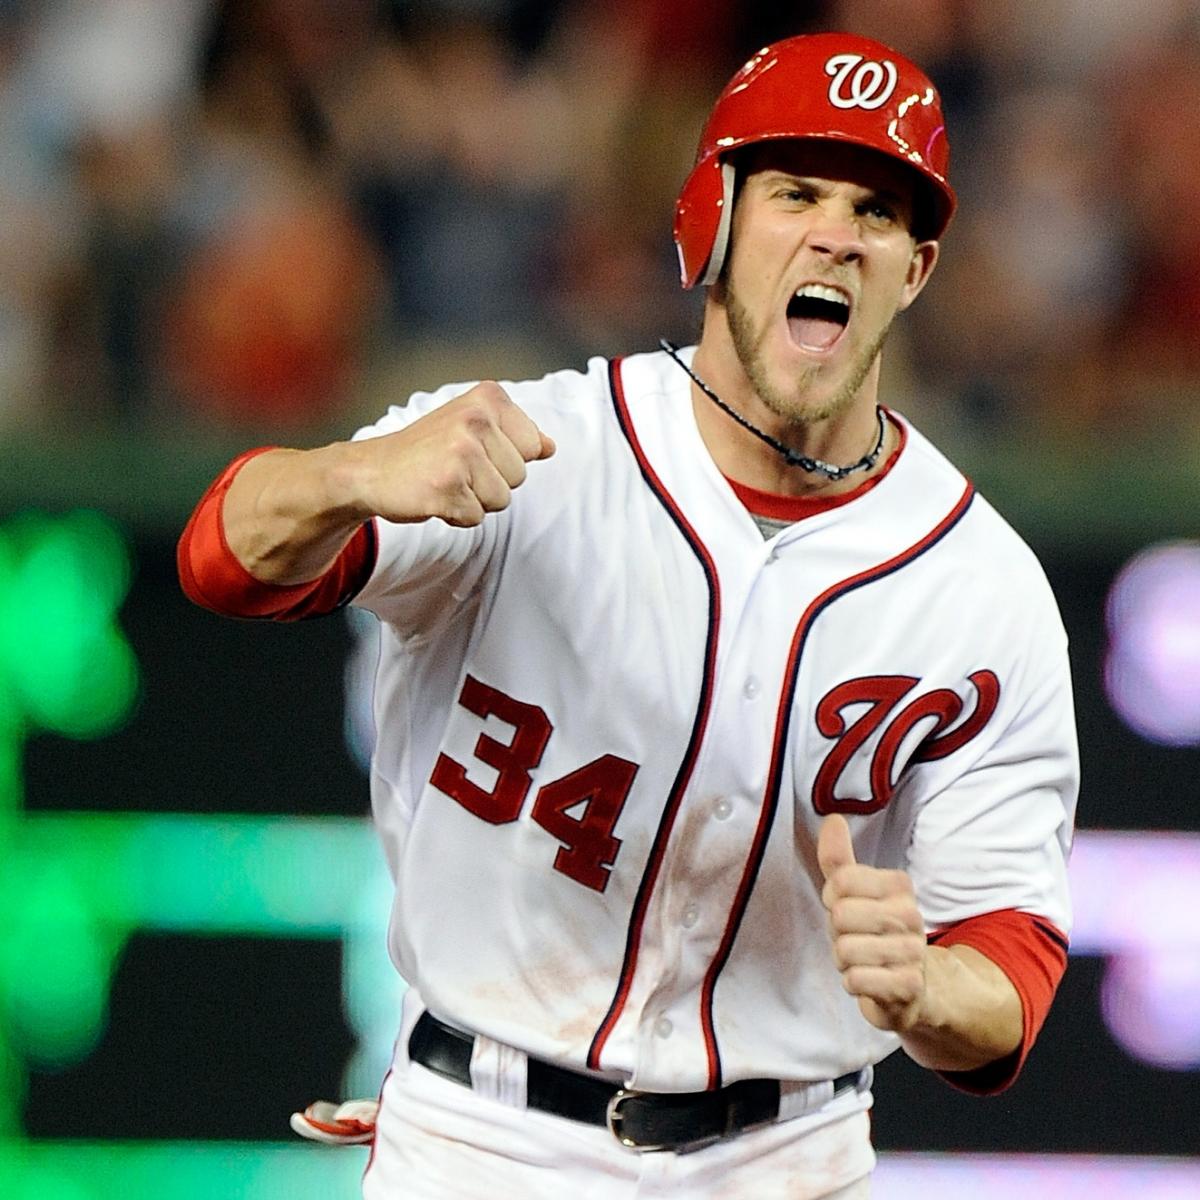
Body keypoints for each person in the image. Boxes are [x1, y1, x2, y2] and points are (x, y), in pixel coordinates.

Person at [178, 31, 1078, 1200]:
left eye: (879, 211)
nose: (836, 235)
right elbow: (224, 560)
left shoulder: (980, 586)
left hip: (789, 1156)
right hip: (483, 1141)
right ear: (712, 220)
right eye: (796, 191)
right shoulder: (536, 450)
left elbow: (1008, 973)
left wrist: (926, 991)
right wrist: (345, 475)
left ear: (914, 270)